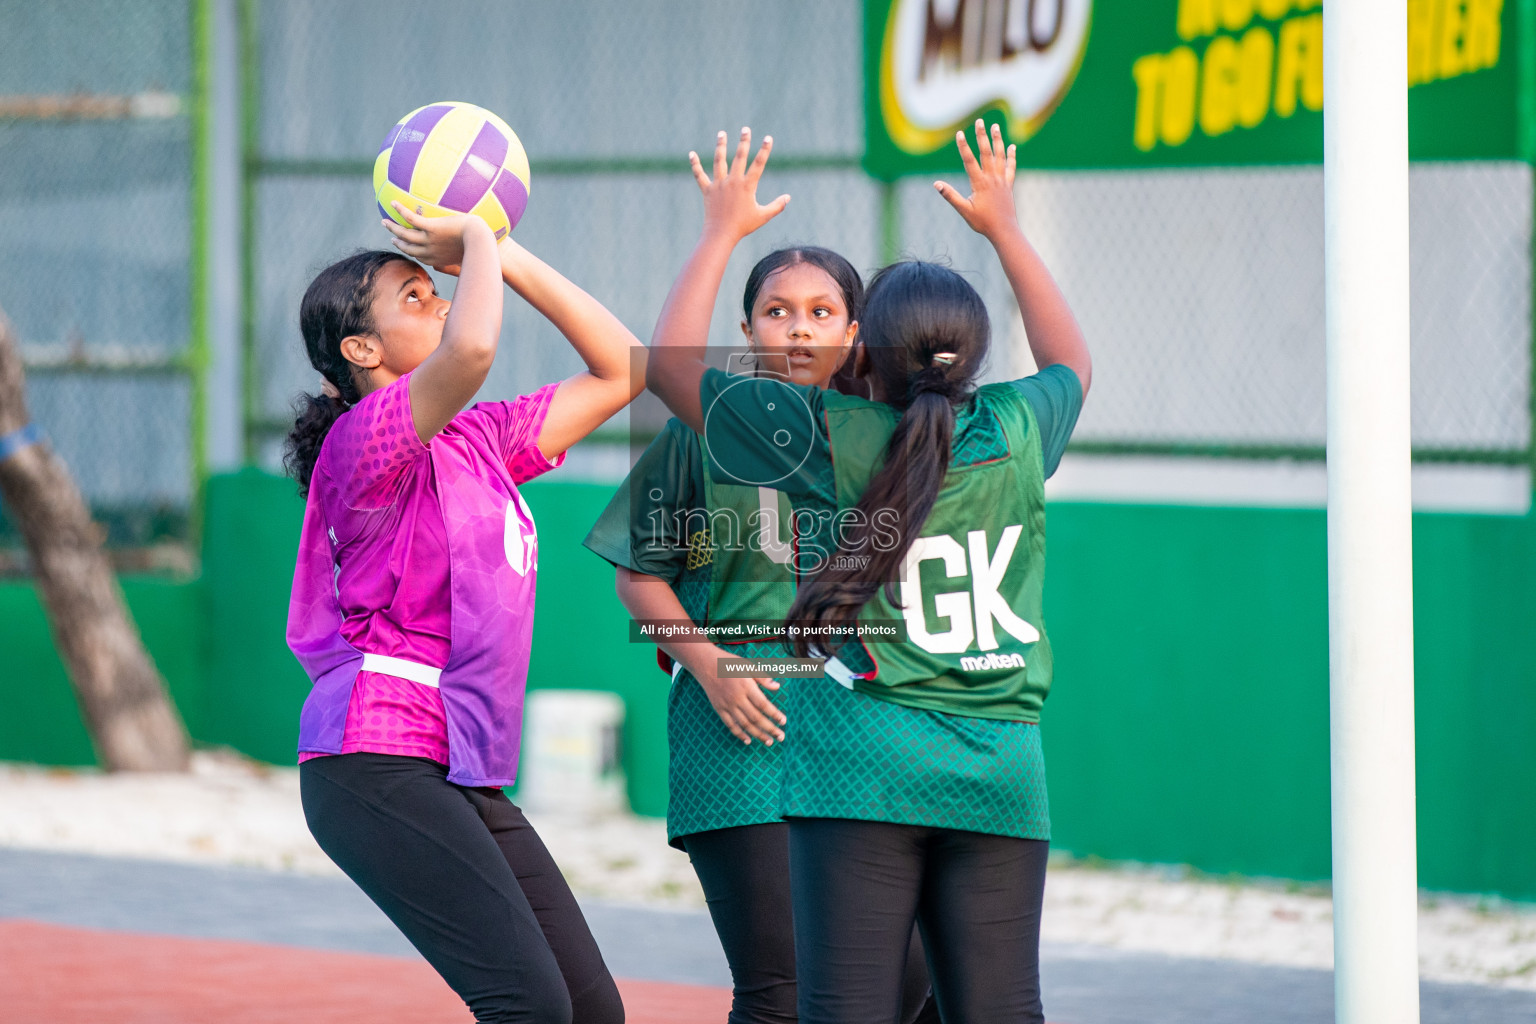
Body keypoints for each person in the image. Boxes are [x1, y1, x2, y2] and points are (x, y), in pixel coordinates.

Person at [645, 124, 1091, 1024]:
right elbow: (1072, 362)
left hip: (860, 769)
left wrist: (719, 232)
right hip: (1003, 768)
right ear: (970, 352)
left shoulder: (823, 435)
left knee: (841, 1006)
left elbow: (667, 369)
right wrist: (1005, 228)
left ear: (861, 350)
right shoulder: (1015, 427)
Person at [284, 203, 643, 1024]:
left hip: (461, 762)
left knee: (591, 1011)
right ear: (360, 352)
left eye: (437, 289)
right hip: (373, 756)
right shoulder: (360, 444)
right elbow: (472, 349)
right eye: (414, 296)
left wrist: (508, 254)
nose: (442, 300)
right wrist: (476, 234)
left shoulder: (478, 440)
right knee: (531, 1008)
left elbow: (624, 368)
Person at [583, 245, 938, 1024]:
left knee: (914, 984)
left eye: (822, 313)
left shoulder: (890, 437)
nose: (798, 331)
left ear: (855, 333)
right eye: (778, 312)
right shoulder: (698, 432)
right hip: (741, 739)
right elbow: (637, 575)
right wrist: (711, 666)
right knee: (781, 992)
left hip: (862, 742)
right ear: (746, 327)